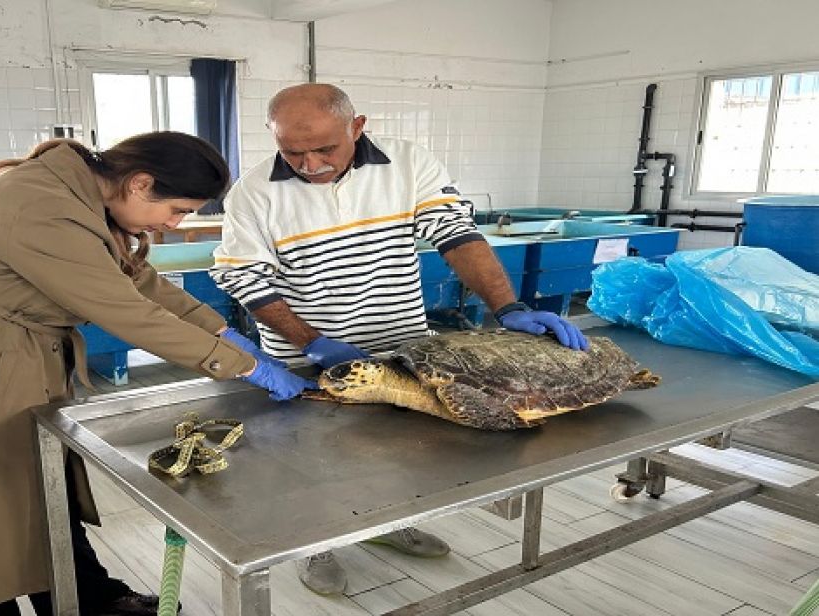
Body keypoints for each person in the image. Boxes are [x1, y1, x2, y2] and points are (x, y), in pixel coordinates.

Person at [0, 134, 314, 616]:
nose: (173, 224)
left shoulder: (83, 200)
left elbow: (139, 283)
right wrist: (243, 364)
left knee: (42, 495)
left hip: (3, 361)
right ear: (140, 183)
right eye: (176, 210)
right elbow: (124, 310)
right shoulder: (38, 204)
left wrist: (222, 332)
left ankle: (88, 599)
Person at [210, 84, 588, 595]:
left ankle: (390, 523)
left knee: (398, 450)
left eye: (325, 148)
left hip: (401, 345)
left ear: (357, 126)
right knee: (309, 458)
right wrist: (312, 341)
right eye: (292, 152)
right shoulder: (253, 192)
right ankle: (315, 545)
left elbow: (457, 235)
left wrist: (509, 307)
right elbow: (242, 276)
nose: (310, 164)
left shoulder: (408, 163)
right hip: (305, 357)